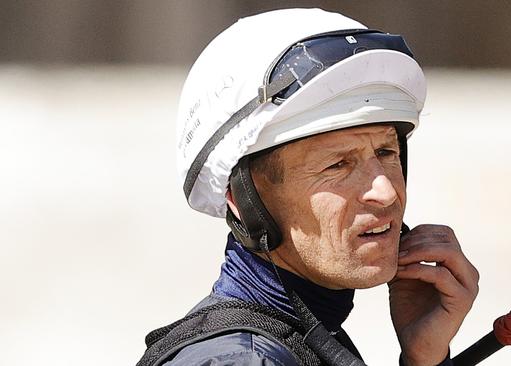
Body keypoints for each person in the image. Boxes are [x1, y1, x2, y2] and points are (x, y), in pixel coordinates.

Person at [138, 8, 479, 366]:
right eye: (338, 164)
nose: (387, 191)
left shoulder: (299, 338)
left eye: (385, 152)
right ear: (244, 201)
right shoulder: (243, 361)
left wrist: (424, 359)